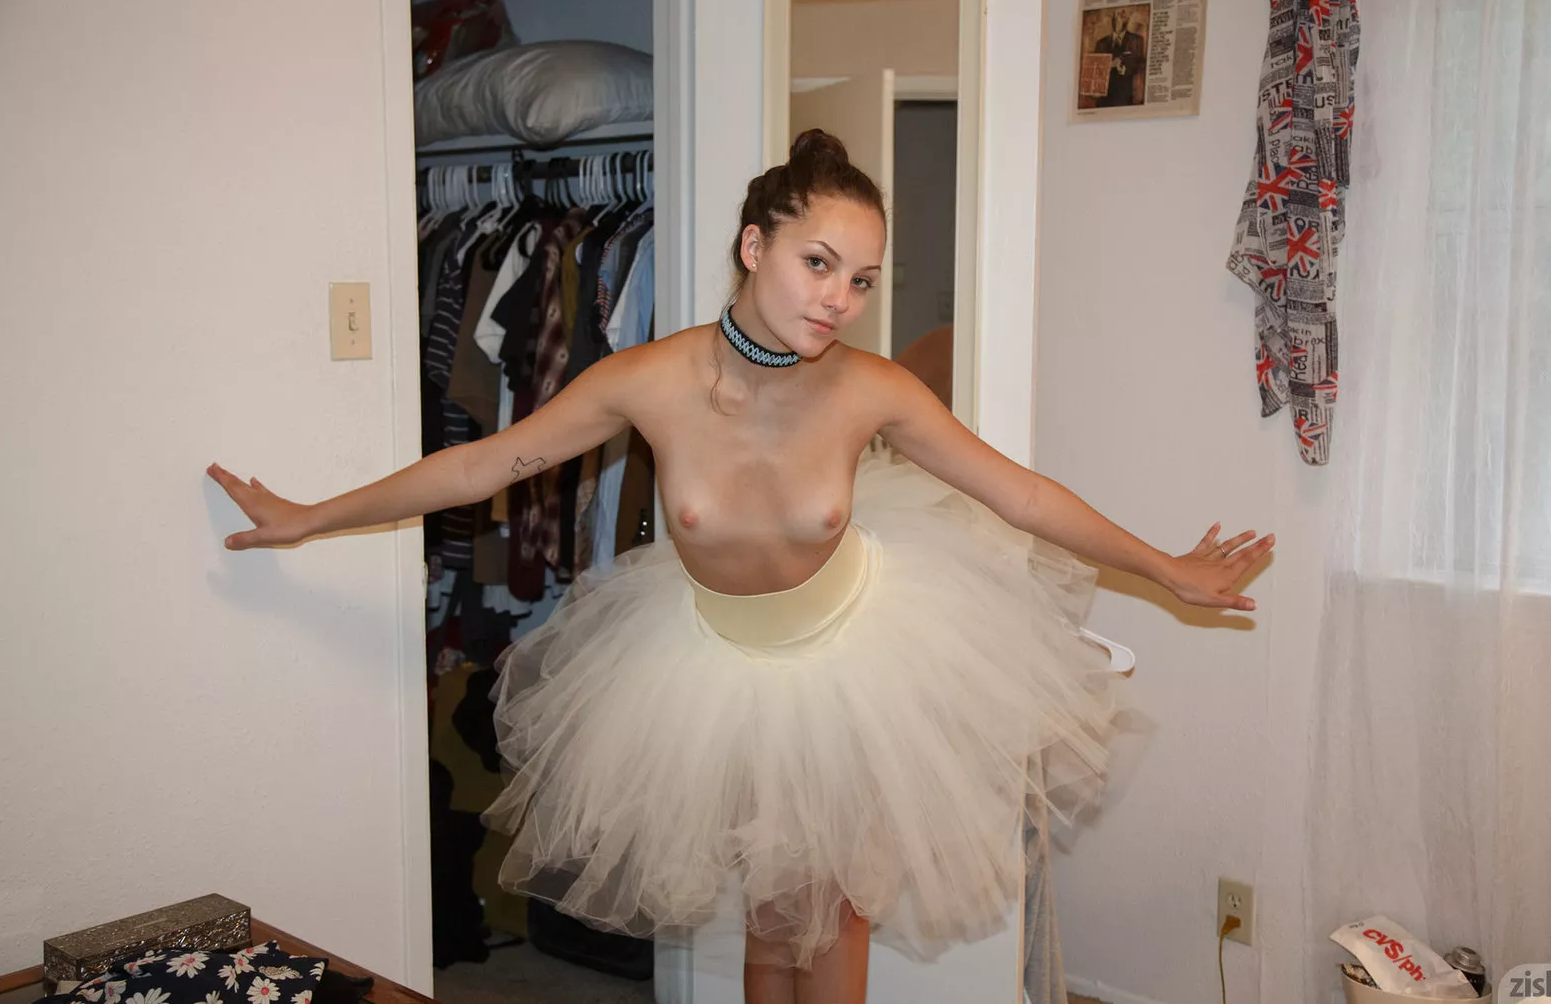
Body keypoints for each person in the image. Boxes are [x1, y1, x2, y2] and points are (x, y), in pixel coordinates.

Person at [209, 130, 1272, 1004]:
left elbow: (1022, 496)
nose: (839, 298)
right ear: (754, 245)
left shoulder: (871, 388)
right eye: (819, 264)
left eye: (861, 279)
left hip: (857, 655)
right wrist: (310, 518)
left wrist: (1165, 567)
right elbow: (481, 464)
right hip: (716, 664)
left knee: (837, 909)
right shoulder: (648, 377)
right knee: (772, 914)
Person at [1094, 6, 1147, 108]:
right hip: (1104, 97)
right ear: (1112, 19)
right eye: (1117, 15)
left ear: (1128, 20)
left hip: (1125, 95)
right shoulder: (1101, 43)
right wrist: (1110, 65)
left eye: (1122, 15)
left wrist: (1126, 69)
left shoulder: (1136, 40)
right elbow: (1095, 68)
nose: (1119, 18)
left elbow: (1141, 64)